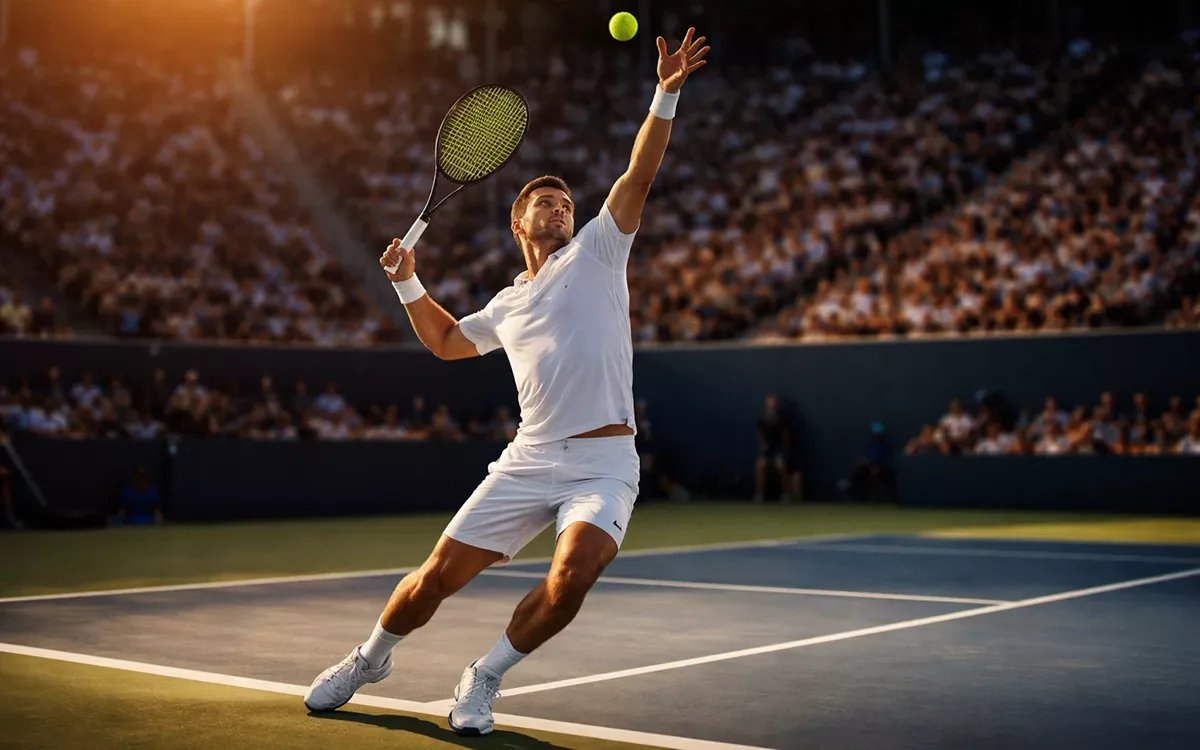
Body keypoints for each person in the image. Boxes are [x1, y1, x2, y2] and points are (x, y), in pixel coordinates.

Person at [304, 30, 710, 737]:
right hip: (528, 460)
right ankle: (369, 660)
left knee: (569, 578)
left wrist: (665, 90)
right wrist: (407, 281)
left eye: (566, 203)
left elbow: (639, 173)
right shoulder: (505, 303)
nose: (561, 209)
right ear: (518, 221)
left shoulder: (599, 251)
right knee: (433, 580)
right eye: (545, 203)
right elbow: (444, 341)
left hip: (603, 465)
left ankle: (484, 675)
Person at [753, 394, 799, 503]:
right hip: (766, 449)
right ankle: (759, 494)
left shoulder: (782, 418)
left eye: (772, 402)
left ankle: (786, 494)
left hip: (779, 449)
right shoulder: (762, 417)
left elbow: (786, 434)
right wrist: (762, 444)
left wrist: (784, 449)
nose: (770, 404)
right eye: (768, 402)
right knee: (759, 466)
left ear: (776, 404)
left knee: (781, 466)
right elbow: (759, 433)